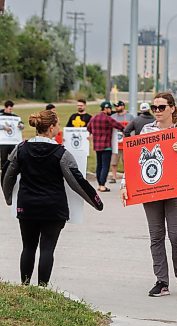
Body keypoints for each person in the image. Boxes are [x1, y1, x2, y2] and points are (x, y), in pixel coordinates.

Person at [1, 109, 103, 286]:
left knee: (28, 247)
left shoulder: (21, 148)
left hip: (27, 207)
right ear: (51, 128)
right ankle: (42, 289)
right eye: (57, 125)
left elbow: (6, 175)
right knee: (47, 248)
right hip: (53, 209)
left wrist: (9, 198)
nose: (58, 128)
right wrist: (96, 201)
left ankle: (25, 286)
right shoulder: (61, 153)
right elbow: (77, 181)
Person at [120, 92, 177, 297]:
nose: (157, 111)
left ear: (172, 108)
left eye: (161, 107)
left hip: (175, 189)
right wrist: (125, 184)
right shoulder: (146, 130)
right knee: (156, 236)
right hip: (151, 190)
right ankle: (162, 280)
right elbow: (135, 160)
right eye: (155, 108)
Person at [86, 101, 124, 192]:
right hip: (106, 146)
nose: (111, 110)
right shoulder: (108, 118)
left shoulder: (94, 118)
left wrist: (94, 133)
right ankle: (103, 185)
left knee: (99, 165)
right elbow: (119, 126)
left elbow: (88, 127)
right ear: (106, 109)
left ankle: (99, 184)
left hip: (97, 146)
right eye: (110, 108)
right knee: (105, 166)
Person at [109, 101, 135, 184]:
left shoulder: (130, 117)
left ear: (123, 106)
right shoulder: (113, 116)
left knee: (126, 161)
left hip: (126, 143)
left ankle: (127, 177)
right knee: (114, 161)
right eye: (115, 106)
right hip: (115, 143)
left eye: (118, 106)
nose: (116, 108)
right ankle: (114, 176)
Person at [0, 100, 25, 170]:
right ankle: (3, 174)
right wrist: (3, 127)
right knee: (3, 160)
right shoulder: (0, 116)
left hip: (13, 142)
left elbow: (22, 125)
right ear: (5, 107)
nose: (11, 110)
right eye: (9, 109)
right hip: (3, 143)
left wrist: (21, 126)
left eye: (12, 109)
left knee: (14, 159)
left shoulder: (15, 117)